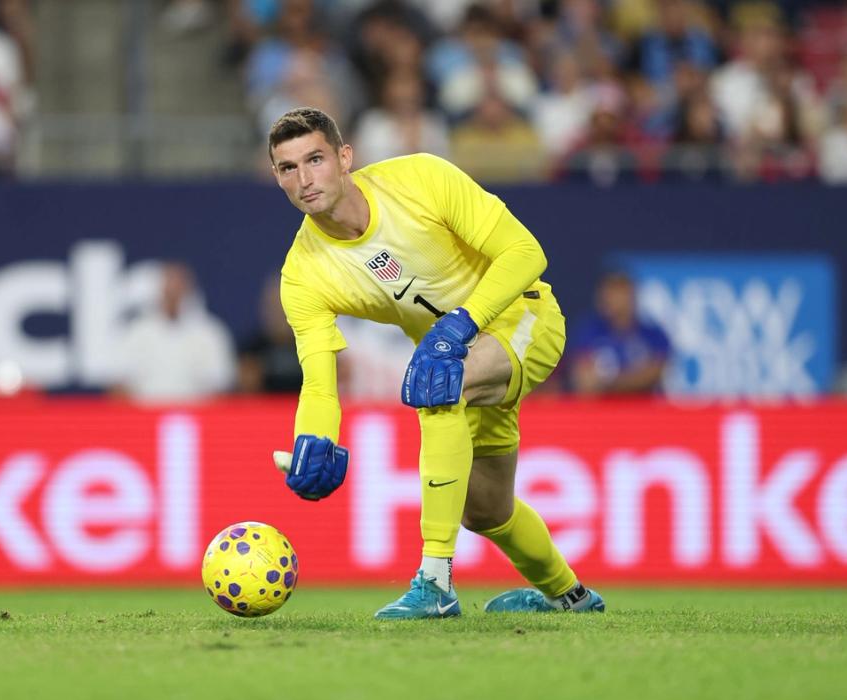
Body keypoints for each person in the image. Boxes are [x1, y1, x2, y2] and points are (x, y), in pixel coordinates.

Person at [267, 106, 604, 619]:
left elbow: (525, 252)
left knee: (437, 382)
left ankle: (435, 582)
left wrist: (460, 325)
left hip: (524, 318)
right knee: (487, 511)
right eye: (288, 168)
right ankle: (571, 596)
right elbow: (319, 385)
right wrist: (313, 439)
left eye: (315, 159)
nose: (305, 179)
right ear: (277, 177)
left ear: (344, 157)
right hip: (458, 358)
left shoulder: (421, 178)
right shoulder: (303, 275)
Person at [115, 262, 237, 404]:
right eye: (169, 287)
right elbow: (119, 386)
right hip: (145, 419)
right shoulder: (136, 331)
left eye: (178, 287)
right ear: (159, 290)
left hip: (199, 419)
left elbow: (222, 388)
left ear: (189, 290)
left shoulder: (211, 333)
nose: (174, 294)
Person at [569, 271, 671, 396]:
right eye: (607, 292)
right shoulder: (588, 332)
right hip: (603, 411)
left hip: (644, 410)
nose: (609, 298)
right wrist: (632, 378)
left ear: (631, 295)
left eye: (617, 293)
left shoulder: (652, 335)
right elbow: (584, 381)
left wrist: (608, 382)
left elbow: (653, 375)